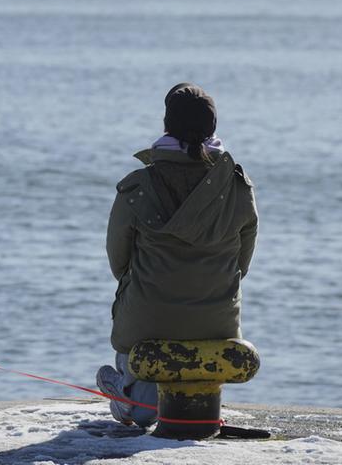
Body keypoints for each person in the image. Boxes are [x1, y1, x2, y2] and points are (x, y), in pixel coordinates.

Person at [95, 83, 259, 427]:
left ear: (166, 125)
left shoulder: (138, 187)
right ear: (212, 127)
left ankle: (129, 397)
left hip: (144, 324)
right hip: (217, 324)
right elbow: (241, 265)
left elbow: (118, 263)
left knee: (141, 409)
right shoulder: (238, 187)